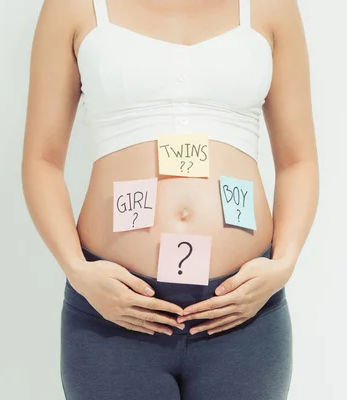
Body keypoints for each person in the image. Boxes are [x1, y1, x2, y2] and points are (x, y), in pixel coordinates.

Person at [21, 0, 318, 398]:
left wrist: (283, 262)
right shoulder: (73, 7)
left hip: (241, 308)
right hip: (115, 309)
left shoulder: (271, 7)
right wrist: (77, 270)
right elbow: (42, 159)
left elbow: (298, 160)